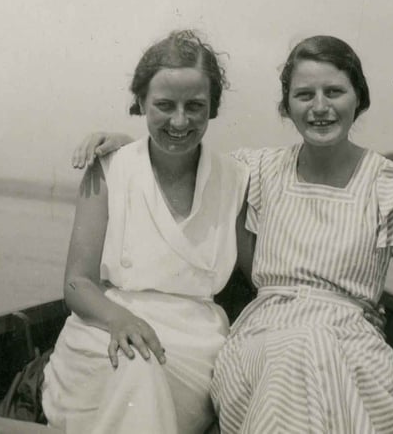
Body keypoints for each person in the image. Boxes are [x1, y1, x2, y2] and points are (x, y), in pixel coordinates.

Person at [73, 35, 393, 433]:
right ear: (287, 106)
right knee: (300, 348)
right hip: (261, 347)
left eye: (334, 92)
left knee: (313, 349)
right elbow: (181, 151)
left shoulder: (392, 186)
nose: (320, 108)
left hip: (351, 352)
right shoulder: (255, 171)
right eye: (304, 96)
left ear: (359, 97)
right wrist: (125, 144)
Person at [40, 30, 249, 434]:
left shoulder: (236, 179)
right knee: (135, 367)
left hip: (194, 352)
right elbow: (77, 283)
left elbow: (263, 272)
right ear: (140, 103)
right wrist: (120, 320)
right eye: (164, 105)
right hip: (104, 332)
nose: (179, 120)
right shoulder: (109, 168)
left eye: (195, 106)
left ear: (214, 108)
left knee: (146, 374)